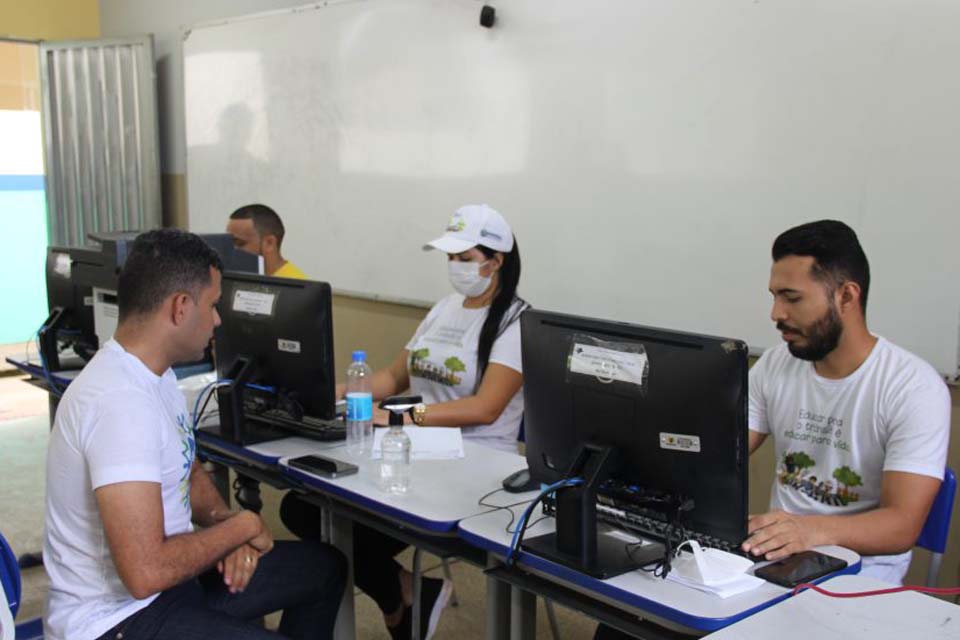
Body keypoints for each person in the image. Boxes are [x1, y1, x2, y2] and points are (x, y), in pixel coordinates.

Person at [43, 229, 346, 640]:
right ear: (181, 308)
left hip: (168, 588)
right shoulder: (118, 403)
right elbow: (145, 574)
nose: (218, 319)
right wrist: (241, 529)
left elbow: (183, 467)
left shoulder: (155, 373)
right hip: (114, 621)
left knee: (322, 568)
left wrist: (225, 521)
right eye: (213, 304)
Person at [281, 204, 529, 640]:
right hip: (416, 448)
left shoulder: (517, 322)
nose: (455, 267)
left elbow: (485, 408)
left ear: (497, 260)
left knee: (347, 525)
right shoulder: (444, 308)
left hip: (477, 463)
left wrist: (401, 415)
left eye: (465, 259)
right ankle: (402, 593)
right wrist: (337, 389)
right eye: (450, 258)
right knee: (302, 506)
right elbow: (393, 377)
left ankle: (403, 598)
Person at [743, 219, 950, 582]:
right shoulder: (776, 364)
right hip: (774, 566)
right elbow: (721, 451)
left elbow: (901, 525)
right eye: (774, 296)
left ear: (846, 296)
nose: (776, 314)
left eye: (791, 298)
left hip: (857, 580)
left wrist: (811, 531)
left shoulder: (913, 387)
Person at [227, 204, 307, 278]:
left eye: (239, 243)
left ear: (269, 243)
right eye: (228, 243)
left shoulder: (295, 287)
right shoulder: (242, 278)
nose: (231, 250)